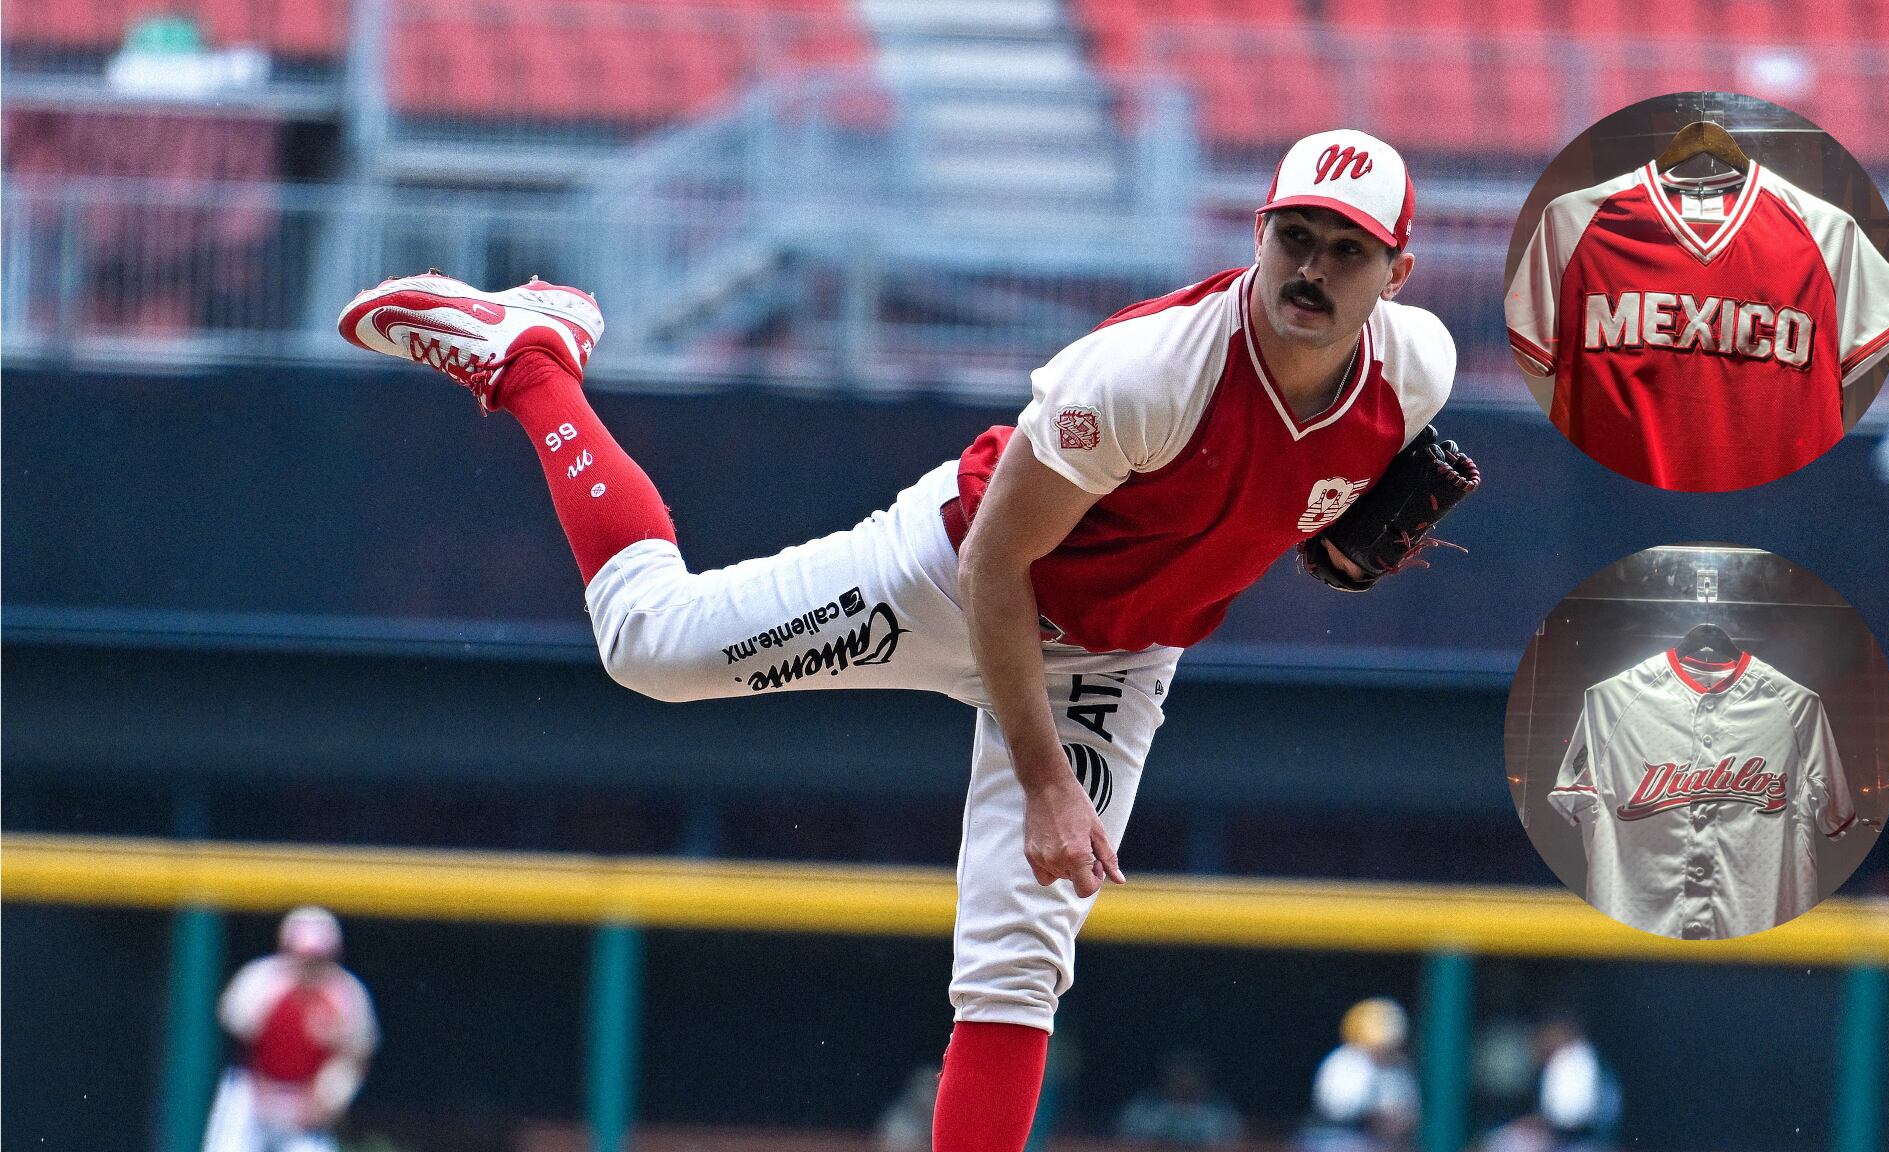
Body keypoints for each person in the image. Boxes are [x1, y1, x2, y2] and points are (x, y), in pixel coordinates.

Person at [338, 128, 1462, 1152]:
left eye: (1346, 252)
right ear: (1257, 234)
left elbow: (1318, 479)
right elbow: (996, 566)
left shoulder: (1415, 370)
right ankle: (532, 358)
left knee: (1022, 964)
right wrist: (1043, 783)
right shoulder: (1144, 375)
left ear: (1394, 276)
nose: (1311, 268)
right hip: (954, 573)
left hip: (1117, 650)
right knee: (645, 642)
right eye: (1294, 236)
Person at [203, 907, 379, 1152]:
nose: (309, 966)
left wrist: (328, 1100)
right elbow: (234, 1035)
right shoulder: (260, 981)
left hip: (305, 1105)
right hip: (252, 1096)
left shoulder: (347, 994)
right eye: (302, 956)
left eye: (318, 958)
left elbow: (356, 1056)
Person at [1299, 997, 1419, 1152]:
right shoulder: (1346, 1062)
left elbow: (1406, 1115)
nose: (1384, 1049)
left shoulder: (1399, 1069)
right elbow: (1339, 1112)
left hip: (1382, 1142)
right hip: (1337, 1138)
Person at [1113, 1050, 1246, 1147]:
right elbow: (1122, 1142)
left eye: (1191, 1071)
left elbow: (1235, 1143)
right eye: (1179, 1072)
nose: (1184, 1079)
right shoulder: (1142, 1109)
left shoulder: (1221, 1112)